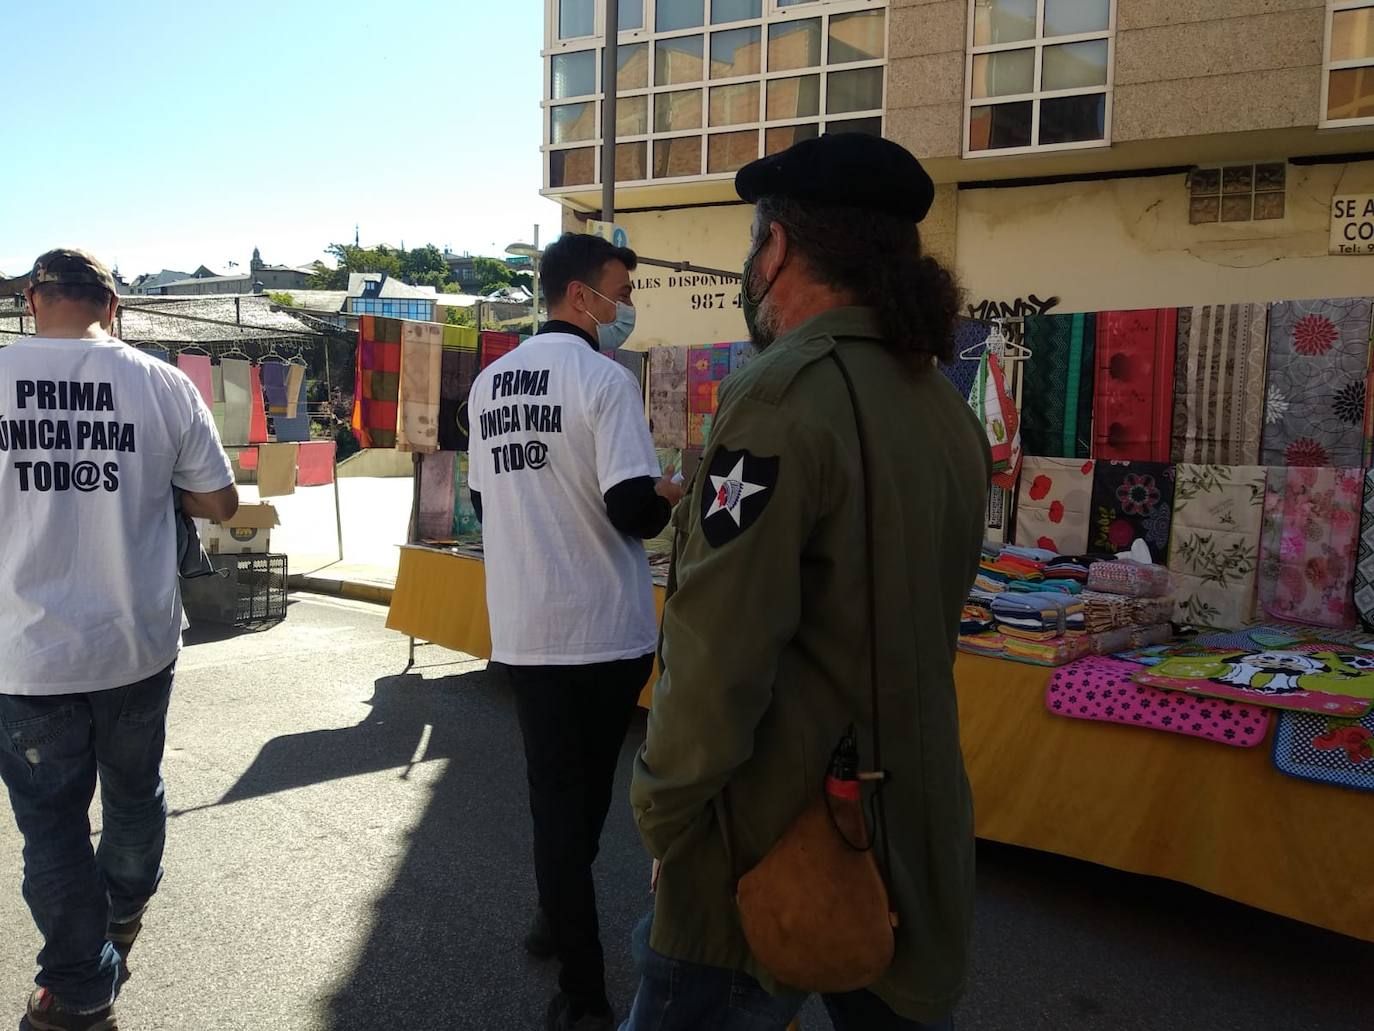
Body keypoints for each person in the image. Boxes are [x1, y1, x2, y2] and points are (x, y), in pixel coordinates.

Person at [623, 134, 991, 1031]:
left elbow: (717, 655)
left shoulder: (781, 395)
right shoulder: (943, 403)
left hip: (767, 838)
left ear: (778, 246)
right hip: (910, 822)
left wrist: (667, 814)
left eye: (754, 247)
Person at [0, 250, 238, 1031]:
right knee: (134, 789)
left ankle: (77, 987)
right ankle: (121, 916)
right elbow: (220, 500)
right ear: (111, 303)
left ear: (34, 299)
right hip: (137, 641)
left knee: (52, 822)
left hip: (25, 652)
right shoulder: (161, 382)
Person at [466, 233, 684, 1031]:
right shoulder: (604, 379)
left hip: (529, 631)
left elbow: (488, 506)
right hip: (607, 629)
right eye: (621, 290)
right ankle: (585, 992)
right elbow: (633, 508)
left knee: (560, 799)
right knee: (579, 799)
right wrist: (667, 492)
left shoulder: (488, 387)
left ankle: (556, 916)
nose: (626, 307)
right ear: (581, 296)